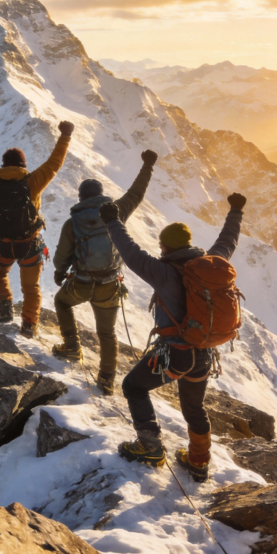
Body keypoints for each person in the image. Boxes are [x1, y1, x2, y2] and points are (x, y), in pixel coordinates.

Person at [99, 192, 247, 480]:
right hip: (203, 354)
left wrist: (112, 221)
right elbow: (228, 239)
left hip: (175, 355)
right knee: (194, 408)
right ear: (189, 244)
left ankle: (150, 447)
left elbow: (129, 250)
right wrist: (236, 211)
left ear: (165, 246)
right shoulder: (211, 263)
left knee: (133, 387)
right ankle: (199, 462)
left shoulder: (162, 272)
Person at [52, 150, 159, 394]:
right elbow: (137, 193)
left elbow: (62, 255)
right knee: (107, 333)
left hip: (81, 283)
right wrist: (147, 166)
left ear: (81, 198)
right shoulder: (117, 211)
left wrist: (60, 273)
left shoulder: (72, 223)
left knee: (62, 302)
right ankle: (107, 379)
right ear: (101, 195)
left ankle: (71, 346)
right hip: (109, 286)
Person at [0, 121, 74, 337]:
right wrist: (65, 136)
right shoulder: (33, 181)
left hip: (4, 245)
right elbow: (55, 163)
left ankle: (6, 309)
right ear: (23, 164)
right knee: (31, 287)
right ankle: (28, 325)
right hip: (29, 245)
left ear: (4, 164)